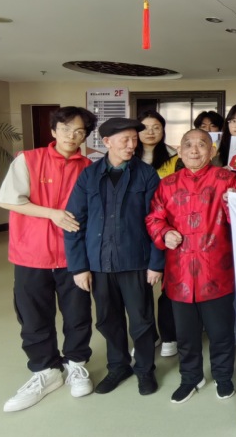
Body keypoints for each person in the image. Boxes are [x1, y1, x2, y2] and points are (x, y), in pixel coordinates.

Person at [0, 106, 97, 412]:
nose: (71, 136)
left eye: (79, 132)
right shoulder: (28, 159)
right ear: (53, 131)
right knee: (33, 316)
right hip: (30, 253)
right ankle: (46, 370)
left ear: (85, 136)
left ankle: (76, 364)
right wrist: (51, 213)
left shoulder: (89, 168)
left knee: (77, 313)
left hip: (73, 257)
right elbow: (7, 199)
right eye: (65, 129)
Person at [64, 118, 164, 396]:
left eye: (134, 140)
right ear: (107, 142)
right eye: (125, 140)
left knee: (142, 321)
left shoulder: (146, 174)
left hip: (136, 261)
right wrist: (79, 267)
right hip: (99, 262)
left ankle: (144, 369)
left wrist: (156, 263)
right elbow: (74, 222)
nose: (132, 145)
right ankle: (118, 366)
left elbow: (158, 220)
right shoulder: (89, 176)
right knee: (108, 320)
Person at [146, 129, 236, 403]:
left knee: (221, 332)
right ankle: (190, 377)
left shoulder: (227, 179)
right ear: (179, 151)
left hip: (217, 271)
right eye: (188, 145)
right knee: (186, 335)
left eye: (201, 145)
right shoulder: (167, 184)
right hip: (179, 274)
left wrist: (233, 204)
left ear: (212, 151)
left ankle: (223, 377)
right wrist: (164, 232)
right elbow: (154, 218)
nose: (194, 150)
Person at [135, 110, 178, 358]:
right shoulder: (129, 156)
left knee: (168, 285)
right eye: (145, 127)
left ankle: (169, 335)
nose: (150, 132)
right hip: (137, 229)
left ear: (163, 130)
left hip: (168, 228)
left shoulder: (175, 157)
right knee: (139, 288)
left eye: (156, 127)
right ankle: (148, 335)